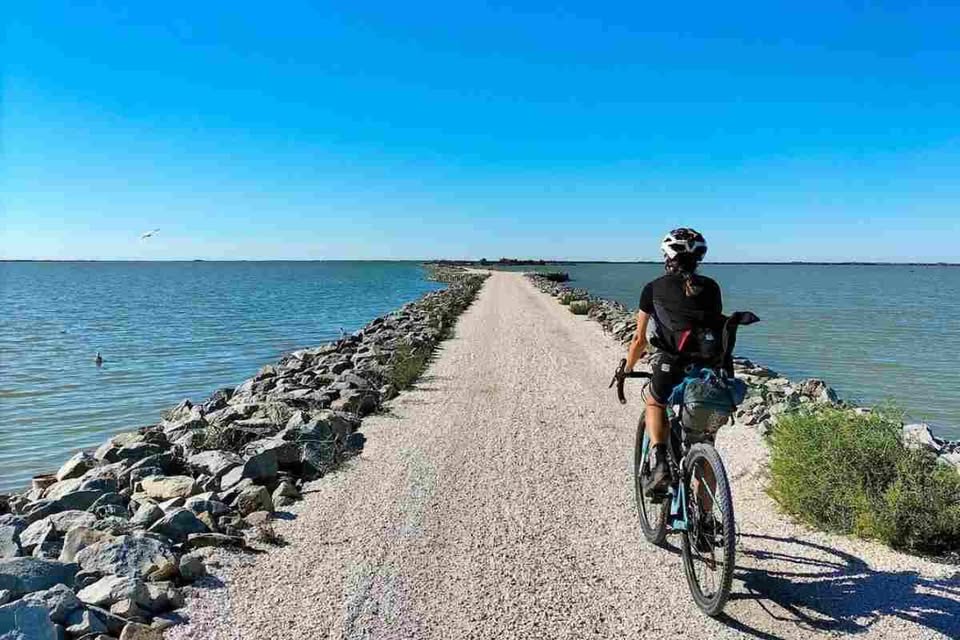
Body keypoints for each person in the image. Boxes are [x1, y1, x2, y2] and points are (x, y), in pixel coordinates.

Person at [623, 228, 724, 499]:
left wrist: (628, 368)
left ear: (666, 255)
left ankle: (659, 463)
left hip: (672, 364)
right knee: (703, 441)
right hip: (710, 369)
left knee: (655, 401)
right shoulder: (712, 287)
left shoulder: (653, 288)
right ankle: (705, 521)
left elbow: (639, 340)